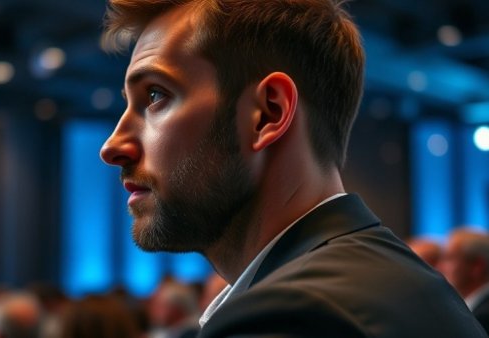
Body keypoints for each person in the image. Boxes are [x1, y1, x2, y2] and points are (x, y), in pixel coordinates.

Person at [98, 0, 487, 336]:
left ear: (268, 113)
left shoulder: (292, 316)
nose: (112, 146)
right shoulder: (401, 282)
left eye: (155, 96)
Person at [439, 228, 489, 332]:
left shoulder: (483, 317)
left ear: (477, 267)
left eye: (450, 258)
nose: (440, 267)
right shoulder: (471, 309)